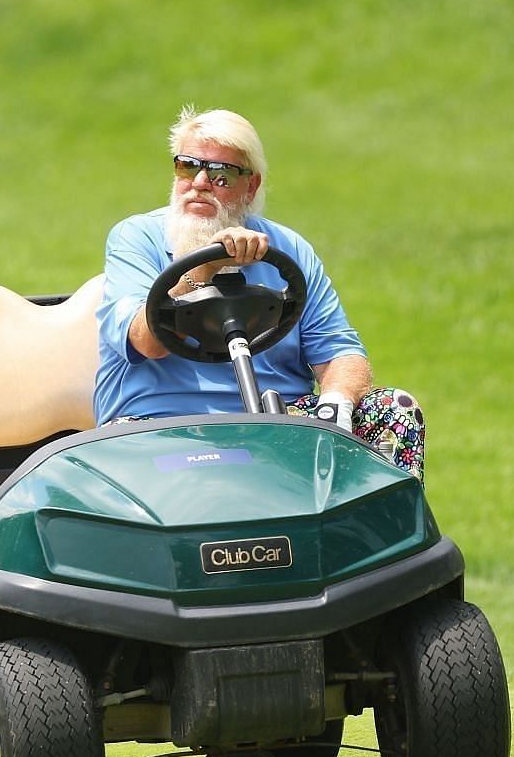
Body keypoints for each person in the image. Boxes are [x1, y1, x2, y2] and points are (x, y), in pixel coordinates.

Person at [94, 107, 425, 479]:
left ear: (250, 187)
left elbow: (340, 352)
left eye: (222, 173)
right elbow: (145, 341)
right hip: (162, 424)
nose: (201, 182)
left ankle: (376, 535)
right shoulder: (135, 237)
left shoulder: (288, 249)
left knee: (394, 410)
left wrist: (336, 404)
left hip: (278, 423)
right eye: (188, 166)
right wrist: (203, 268)